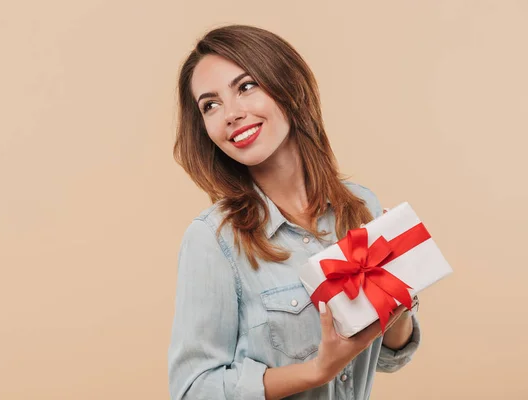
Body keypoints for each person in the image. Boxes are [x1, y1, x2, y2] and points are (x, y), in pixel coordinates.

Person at [168, 24, 421, 400]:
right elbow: (192, 390)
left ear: (287, 86)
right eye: (211, 105)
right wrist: (316, 371)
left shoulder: (360, 206)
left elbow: (388, 357)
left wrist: (398, 305)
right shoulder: (214, 239)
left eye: (246, 86)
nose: (231, 114)